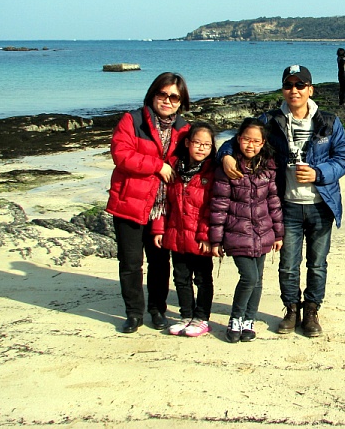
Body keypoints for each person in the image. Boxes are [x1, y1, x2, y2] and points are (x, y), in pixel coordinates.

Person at [218, 65, 345, 337]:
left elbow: (343, 158)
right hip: (285, 205)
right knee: (288, 265)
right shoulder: (270, 120)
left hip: (321, 204)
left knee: (317, 263)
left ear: (310, 90)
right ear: (283, 90)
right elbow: (238, 139)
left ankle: (311, 311)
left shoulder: (328, 121)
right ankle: (291, 309)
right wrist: (226, 156)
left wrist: (318, 173)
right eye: (289, 85)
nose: (294, 90)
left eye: (300, 85)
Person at [106, 72, 191, 334]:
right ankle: (133, 313)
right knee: (130, 262)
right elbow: (121, 155)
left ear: (181, 102)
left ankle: (157, 309)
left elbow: (196, 157)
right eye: (162, 94)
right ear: (153, 94)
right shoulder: (132, 120)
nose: (167, 100)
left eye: (174, 97)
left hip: (163, 208)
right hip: (129, 203)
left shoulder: (184, 129)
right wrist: (157, 165)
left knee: (160, 262)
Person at [209, 118, 284, 343]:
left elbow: (273, 201)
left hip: (263, 233)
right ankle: (235, 319)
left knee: (258, 279)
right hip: (236, 234)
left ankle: (248, 320)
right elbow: (219, 206)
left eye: (256, 141)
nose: (250, 145)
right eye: (246, 140)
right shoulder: (228, 168)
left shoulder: (268, 168)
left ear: (263, 143)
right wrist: (216, 240)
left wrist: (278, 233)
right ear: (238, 139)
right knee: (249, 277)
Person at [151, 122, 217, 337]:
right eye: (197, 143)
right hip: (176, 233)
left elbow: (213, 207)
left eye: (207, 145)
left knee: (202, 279)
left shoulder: (213, 172)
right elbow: (163, 202)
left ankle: (202, 318)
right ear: (187, 143)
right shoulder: (173, 168)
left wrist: (207, 236)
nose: (201, 148)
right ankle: (186, 315)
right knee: (180, 277)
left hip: (200, 237)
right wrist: (159, 229)